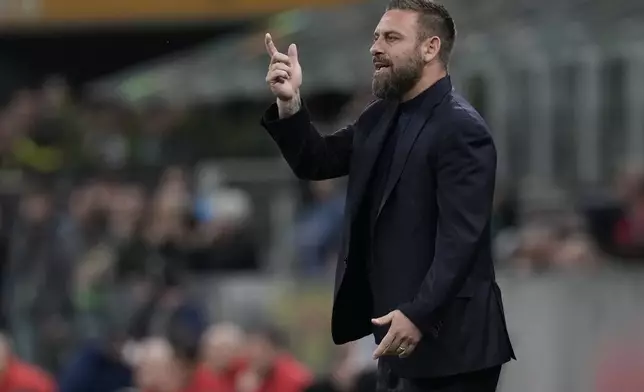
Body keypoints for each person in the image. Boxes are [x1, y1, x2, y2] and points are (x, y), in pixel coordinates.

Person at [260, 0, 515, 391]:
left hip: (451, 347)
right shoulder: (379, 116)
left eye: (391, 37)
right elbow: (318, 161)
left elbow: (461, 241)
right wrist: (290, 102)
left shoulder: (462, 129)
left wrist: (418, 314)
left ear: (430, 48)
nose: (375, 47)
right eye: (376, 36)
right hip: (397, 339)